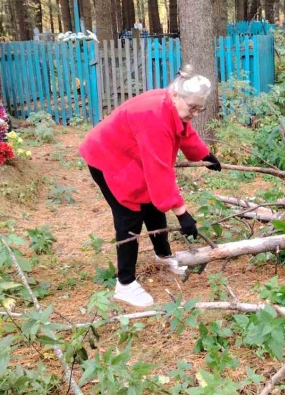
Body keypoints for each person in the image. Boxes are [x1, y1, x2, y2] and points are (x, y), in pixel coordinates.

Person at [79, 66, 221, 307]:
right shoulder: (155, 117)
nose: (195, 113)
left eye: (200, 108)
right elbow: (160, 172)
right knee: (130, 214)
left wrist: (204, 154)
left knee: (153, 204)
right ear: (176, 96)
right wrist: (183, 214)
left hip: (131, 155)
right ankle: (125, 284)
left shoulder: (172, 106)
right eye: (192, 108)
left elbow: (184, 132)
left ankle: (163, 255)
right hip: (108, 158)